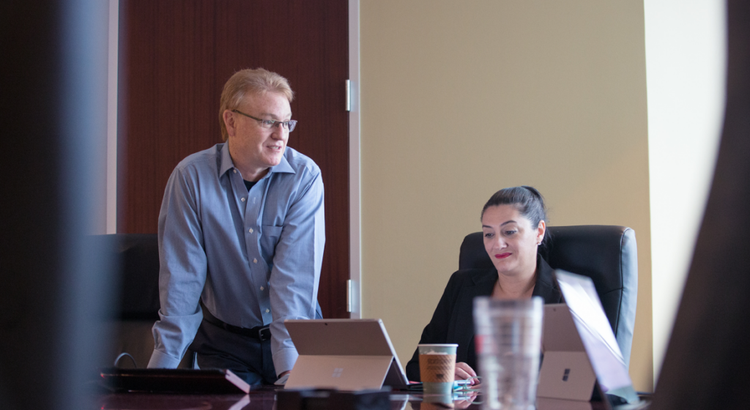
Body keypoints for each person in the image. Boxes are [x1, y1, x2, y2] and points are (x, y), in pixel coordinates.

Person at [147, 68, 325, 386]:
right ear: (231, 121)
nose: (281, 134)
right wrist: (158, 374)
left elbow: (294, 282)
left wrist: (288, 372)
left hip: (296, 338)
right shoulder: (191, 178)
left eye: (286, 123)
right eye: (268, 121)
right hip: (225, 344)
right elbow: (181, 282)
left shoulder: (304, 177)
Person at [405, 186, 562, 384]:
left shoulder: (568, 294)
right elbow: (415, 367)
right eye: (488, 234)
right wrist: (442, 373)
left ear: (539, 232)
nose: (497, 244)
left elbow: (593, 383)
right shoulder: (461, 286)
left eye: (510, 232)